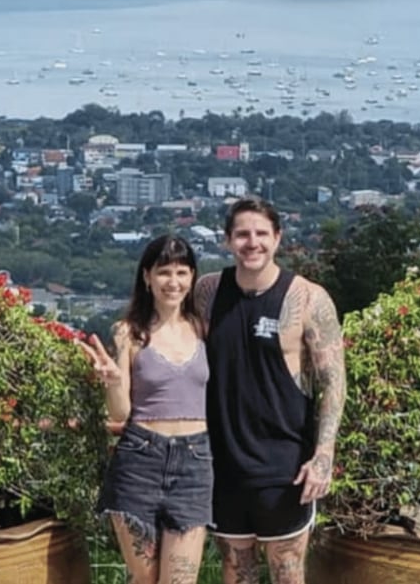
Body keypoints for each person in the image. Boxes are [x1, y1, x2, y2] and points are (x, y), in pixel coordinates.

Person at [194, 196, 346, 584]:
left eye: (261, 234)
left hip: (284, 466)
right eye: (242, 234)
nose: (252, 243)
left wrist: (323, 454)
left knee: (287, 572)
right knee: (236, 571)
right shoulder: (207, 293)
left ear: (277, 238)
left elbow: (333, 382)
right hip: (223, 464)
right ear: (228, 240)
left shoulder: (308, 298)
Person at [81, 234, 212, 584]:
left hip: (195, 462)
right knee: (145, 578)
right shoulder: (129, 333)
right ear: (147, 277)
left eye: (182, 272)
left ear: (192, 277)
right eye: (164, 272)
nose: (173, 282)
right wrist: (112, 381)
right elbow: (120, 414)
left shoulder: (204, 330)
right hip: (139, 460)